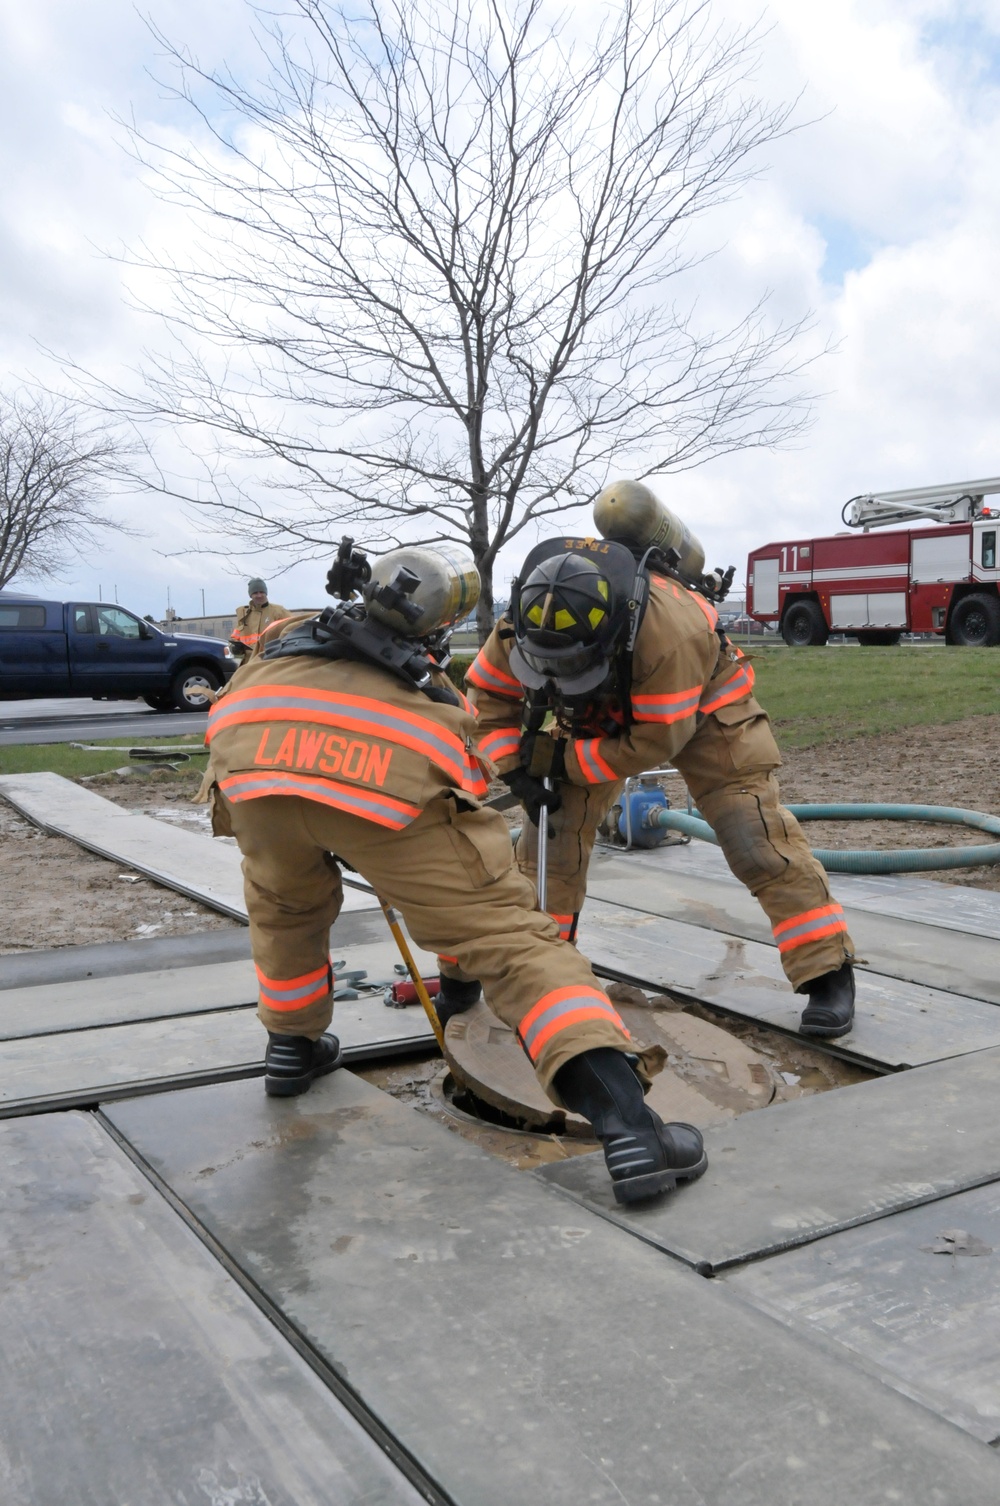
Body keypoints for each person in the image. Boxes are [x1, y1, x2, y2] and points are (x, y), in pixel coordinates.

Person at [203, 538, 707, 1206]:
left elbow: (256, 660)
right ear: (438, 625)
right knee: (510, 939)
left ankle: (292, 1049)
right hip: (381, 779)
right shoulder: (425, 678)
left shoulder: (291, 627)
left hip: (248, 768)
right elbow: (460, 750)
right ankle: (631, 1129)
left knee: (284, 911)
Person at [464, 484, 857, 1041]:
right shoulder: (527, 616)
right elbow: (485, 703)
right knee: (548, 844)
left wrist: (566, 765)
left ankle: (827, 971)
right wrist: (518, 771)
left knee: (755, 840)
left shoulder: (669, 634)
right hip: (600, 708)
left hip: (704, 711)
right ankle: (544, 978)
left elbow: (654, 741)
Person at [229, 578, 288, 663]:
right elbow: (236, 638)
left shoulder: (279, 611)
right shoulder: (244, 614)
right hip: (249, 662)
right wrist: (235, 648)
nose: (259, 595)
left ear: (266, 593)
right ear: (250, 595)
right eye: (255, 593)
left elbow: (291, 630)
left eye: (261, 592)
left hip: (271, 660)